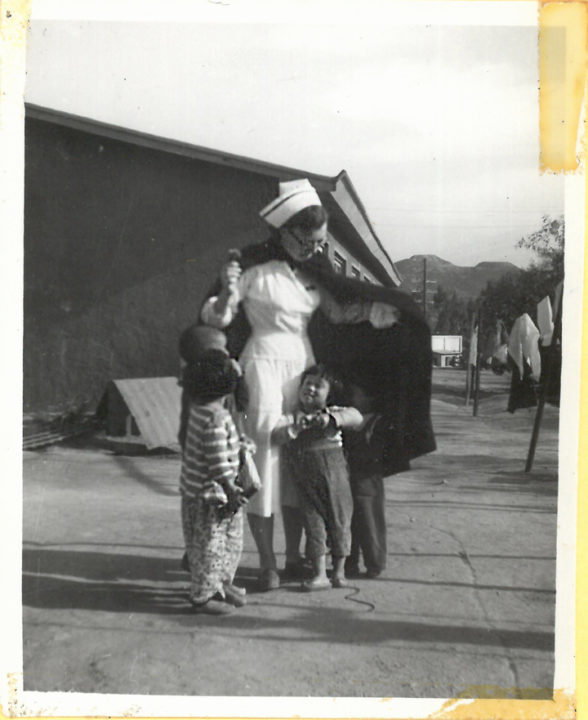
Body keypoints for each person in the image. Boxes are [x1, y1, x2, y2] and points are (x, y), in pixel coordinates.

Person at [200, 178, 436, 592]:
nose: (316, 251)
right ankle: (268, 564)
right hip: (262, 367)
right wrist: (227, 290)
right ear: (285, 232)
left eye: (320, 243)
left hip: (303, 368)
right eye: (308, 243)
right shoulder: (253, 268)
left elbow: (340, 313)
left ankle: (295, 557)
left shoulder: (314, 271)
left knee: (301, 467)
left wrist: (381, 313)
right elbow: (217, 319)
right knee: (264, 465)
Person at [271, 364, 362, 590]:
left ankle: (339, 572)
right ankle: (319, 574)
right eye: (307, 384)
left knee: (340, 521)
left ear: (329, 394)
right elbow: (276, 436)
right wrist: (294, 429)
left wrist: (332, 419)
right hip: (307, 483)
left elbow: (357, 417)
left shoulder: (332, 413)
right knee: (314, 526)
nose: (310, 389)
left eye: (318, 386)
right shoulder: (293, 415)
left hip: (337, 479)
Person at [179, 349, 249, 615]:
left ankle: (221, 583)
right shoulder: (216, 417)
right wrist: (231, 489)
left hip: (202, 494)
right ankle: (202, 596)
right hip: (213, 497)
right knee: (210, 547)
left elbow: (219, 444)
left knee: (227, 543)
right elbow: (217, 460)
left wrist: (240, 444)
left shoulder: (200, 410)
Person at [342, 367, 391, 579]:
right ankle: (349, 561)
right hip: (350, 472)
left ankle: (375, 562)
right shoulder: (351, 417)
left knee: (369, 517)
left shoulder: (376, 421)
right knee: (348, 518)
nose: (353, 398)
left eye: (357, 394)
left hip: (368, 475)